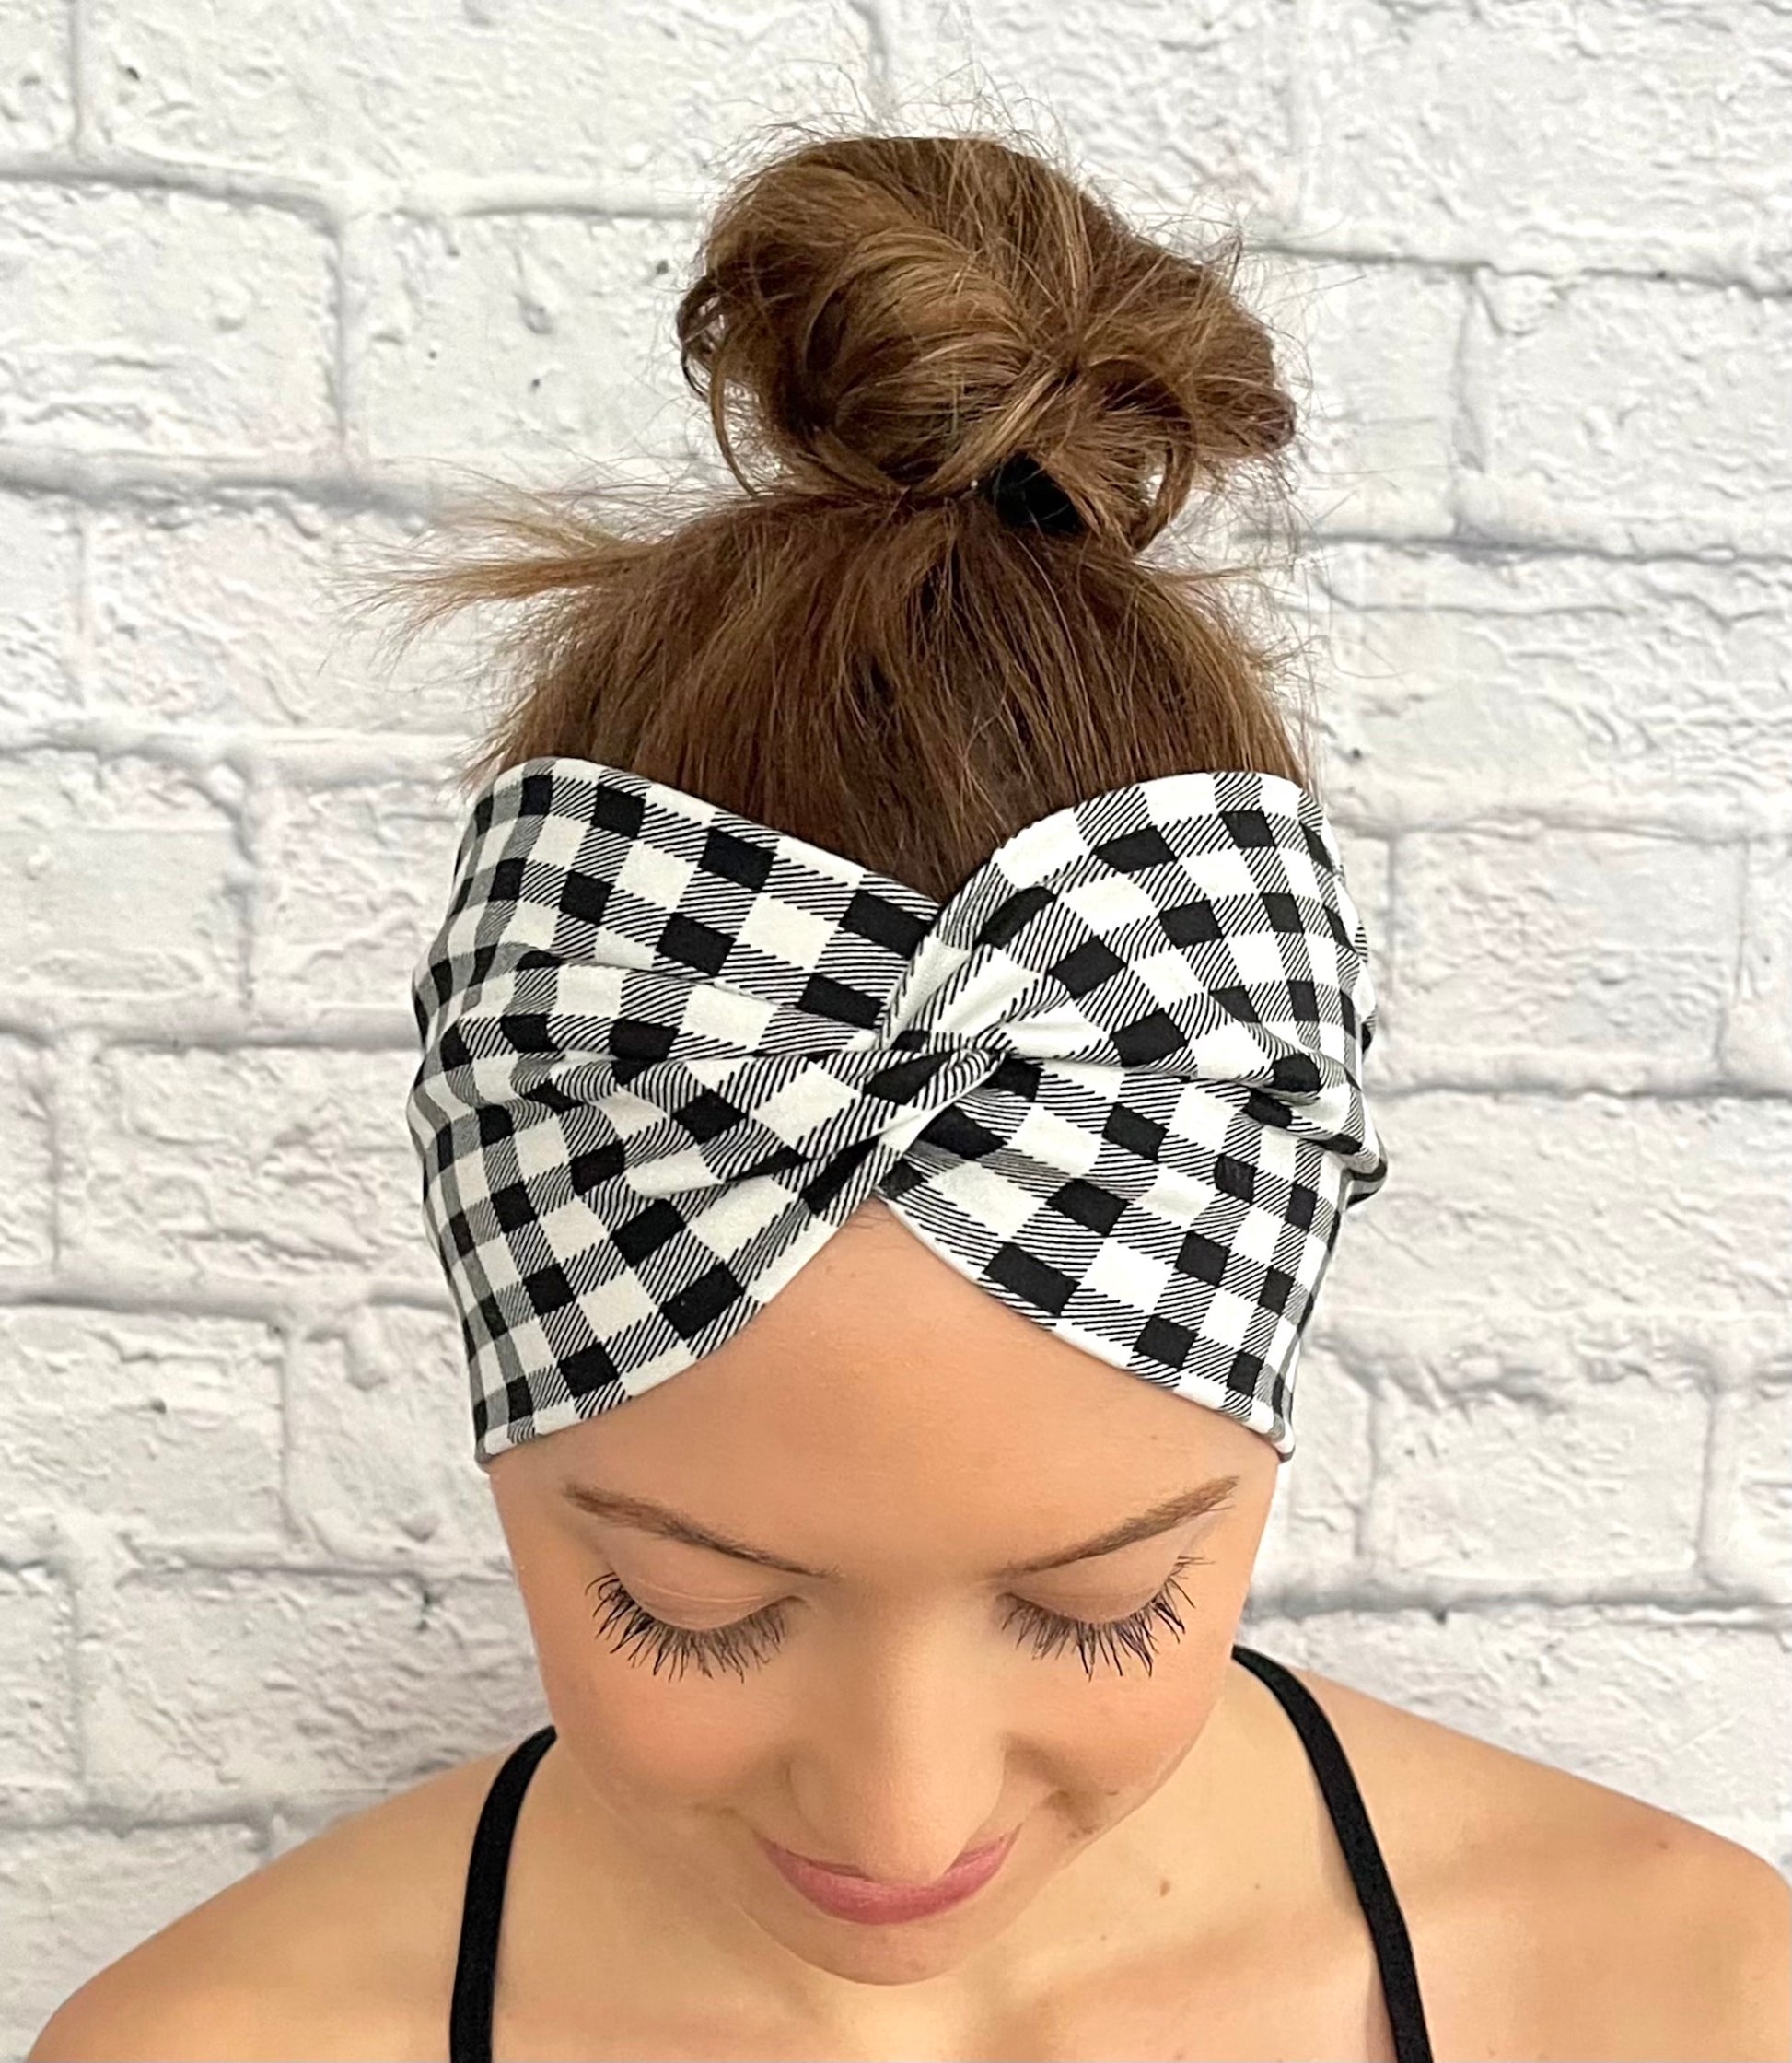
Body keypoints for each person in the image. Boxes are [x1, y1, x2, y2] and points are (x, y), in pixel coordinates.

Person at [31, 126, 1789, 2063]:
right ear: (493, 1398)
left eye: (1106, 1604)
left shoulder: (1674, 2000)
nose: (904, 1818)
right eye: (683, 1611)